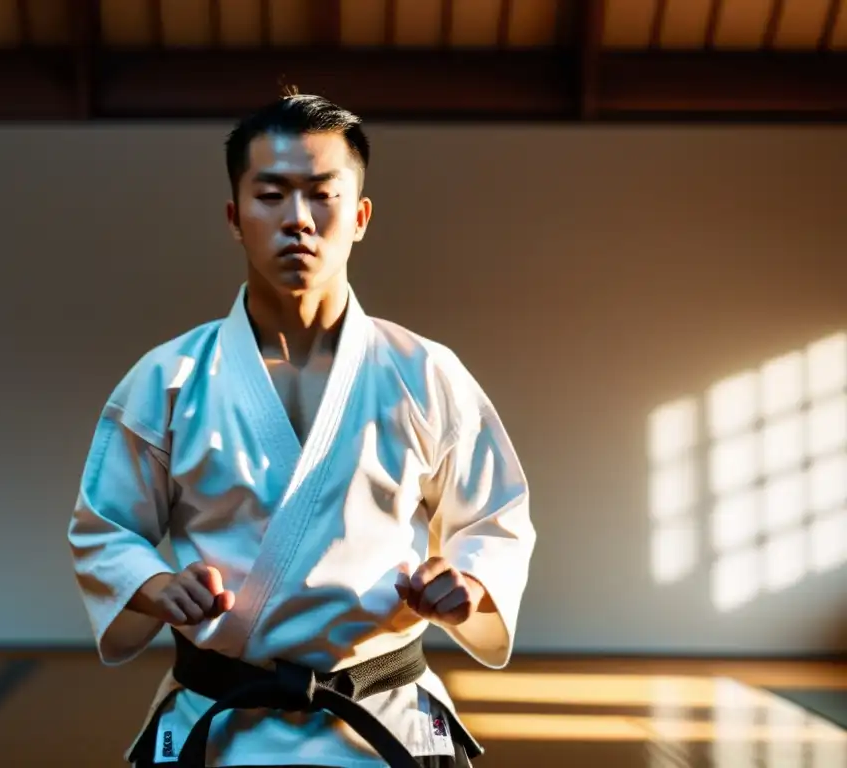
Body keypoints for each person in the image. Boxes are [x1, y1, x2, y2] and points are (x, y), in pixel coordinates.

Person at [67, 89, 536, 768]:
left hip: (382, 721)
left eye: (322, 194)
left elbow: (496, 519)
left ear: (361, 215)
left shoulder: (424, 372)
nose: (298, 220)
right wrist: (155, 585)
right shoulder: (168, 378)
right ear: (234, 216)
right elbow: (104, 528)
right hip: (221, 724)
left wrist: (467, 580)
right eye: (271, 195)